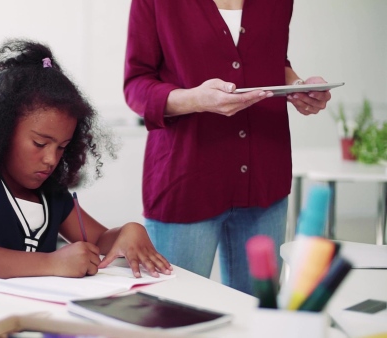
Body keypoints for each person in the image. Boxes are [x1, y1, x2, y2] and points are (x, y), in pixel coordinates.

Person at [0, 39, 172, 296]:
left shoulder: (51, 192)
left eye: (61, 147)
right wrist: (51, 262)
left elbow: (99, 241)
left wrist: (127, 232)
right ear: (2, 131)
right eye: (40, 143)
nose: (51, 159)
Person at [123, 0, 332, 294]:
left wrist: (299, 86)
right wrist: (196, 99)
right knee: (176, 312)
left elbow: (273, 62)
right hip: (187, 179)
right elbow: (136, 85)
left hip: (264, 178)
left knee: (259, 314)